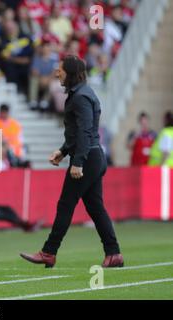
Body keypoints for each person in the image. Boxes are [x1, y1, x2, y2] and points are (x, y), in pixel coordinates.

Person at [20, 55, 124, 268]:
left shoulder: (80, 97)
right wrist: (63, 151)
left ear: (71, 73)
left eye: (60, 69)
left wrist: (77, 162)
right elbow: (80, 133)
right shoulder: (82, 93)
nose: (57, 72)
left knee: (66, 204)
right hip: (92, 156)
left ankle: (49, 252)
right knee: (96, 208)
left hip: (88, 158)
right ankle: (114, 254)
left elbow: (85, 132)